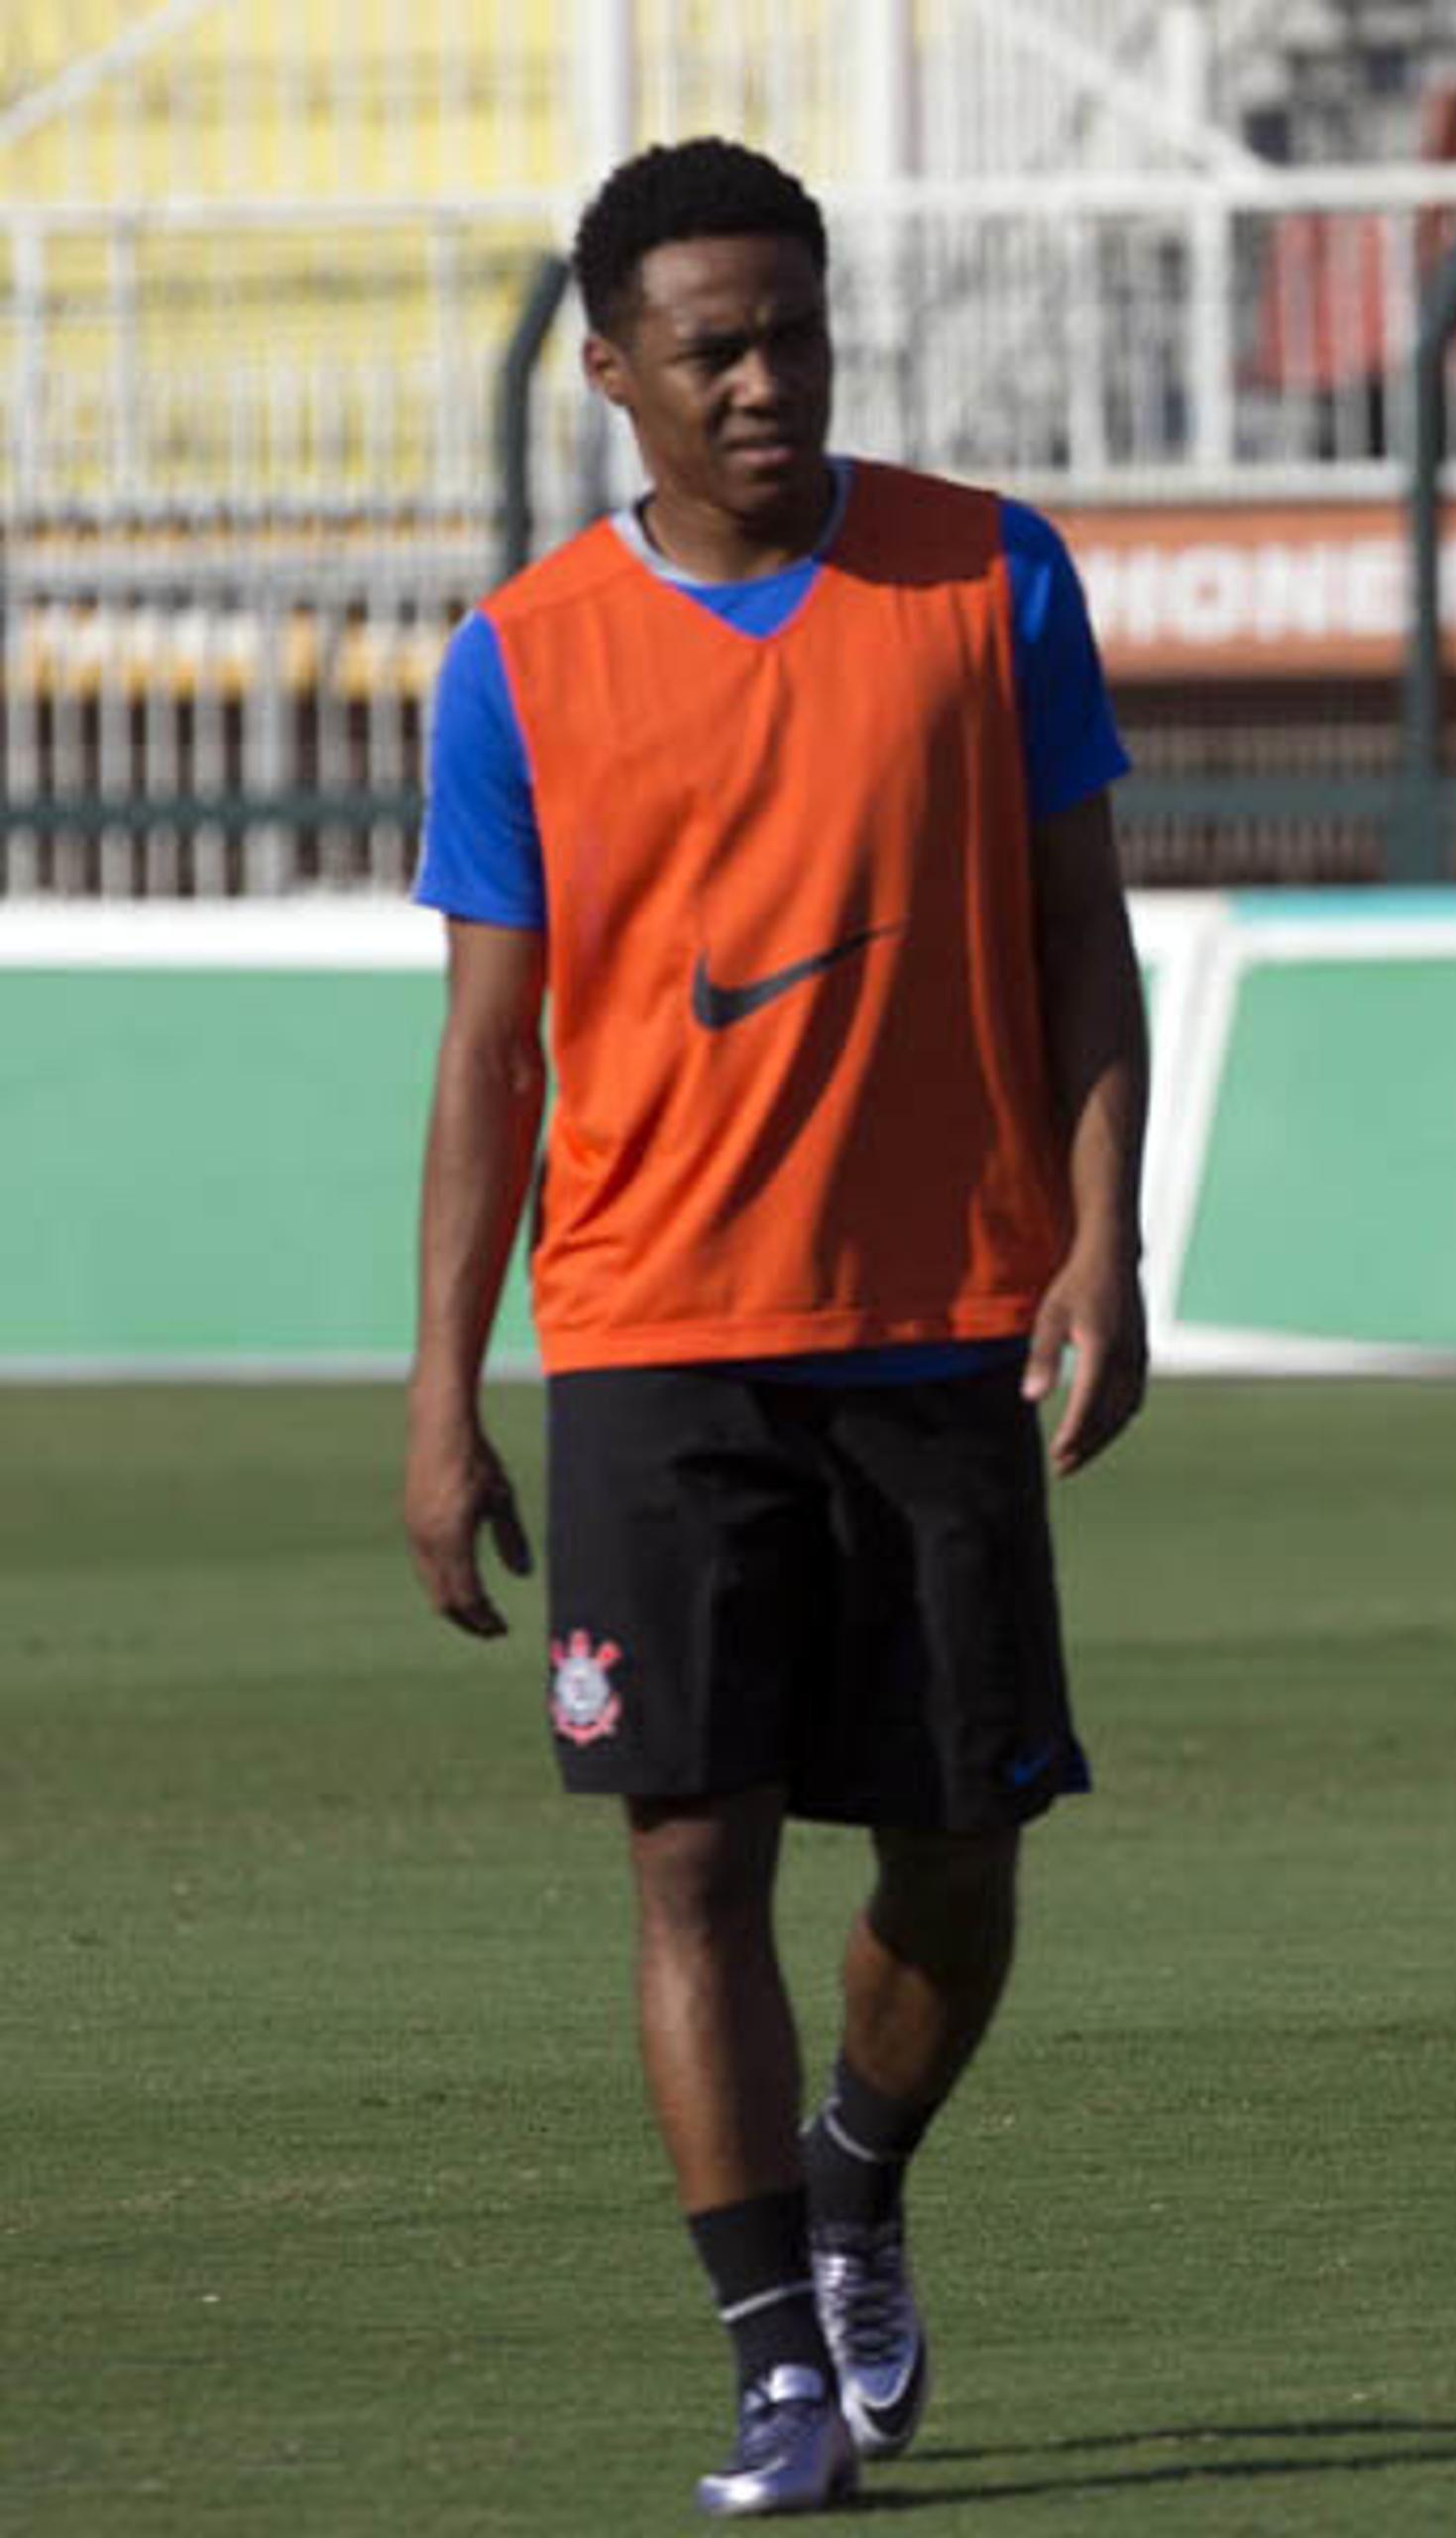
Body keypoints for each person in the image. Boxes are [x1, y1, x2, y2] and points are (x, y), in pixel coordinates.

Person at [397, 138, 1148, 2516]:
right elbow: (491, 1053)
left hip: (936, 1325)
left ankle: (859, 2168)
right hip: (644, 1340)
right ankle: (770, 2368)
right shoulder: (519, 659)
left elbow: (1083, 946)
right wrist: (441, 1394)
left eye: (793, 331)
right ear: (607, 371)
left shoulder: (989, 575)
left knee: (954, 1862)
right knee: (687, 1856)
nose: (761, 379)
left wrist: (1103, 1245)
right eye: (709, 345)